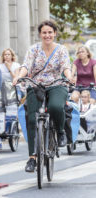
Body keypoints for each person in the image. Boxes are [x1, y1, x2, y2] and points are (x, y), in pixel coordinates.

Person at [13, 20, 73, 173]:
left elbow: (65, 66)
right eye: (44, 32)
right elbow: (26, 65)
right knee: (32, 119)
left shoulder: (61, 49)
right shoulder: (33, 49)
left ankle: (60, 132)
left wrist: (69, 76)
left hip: (57, 84)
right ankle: (32, 157)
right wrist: (19, 76)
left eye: (50, 32)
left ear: (54, 34)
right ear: (40, 34)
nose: (47, 35)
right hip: (36, 85)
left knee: (55, 106)